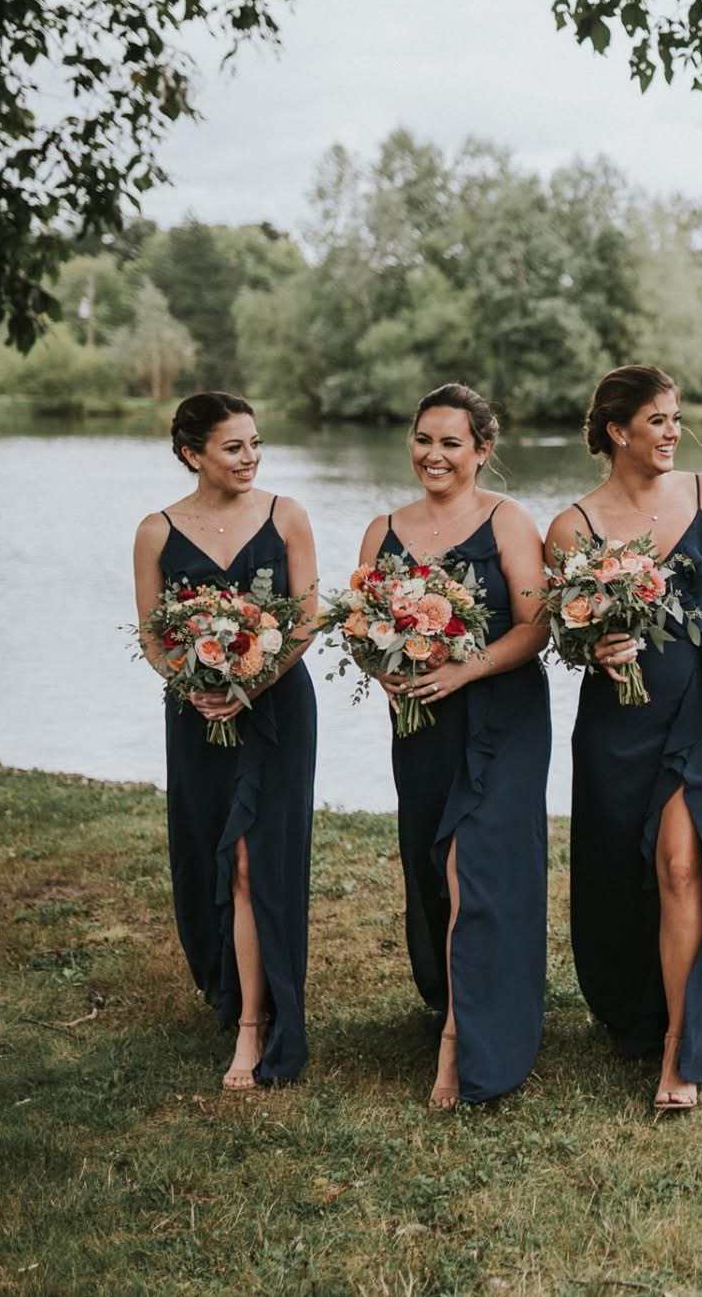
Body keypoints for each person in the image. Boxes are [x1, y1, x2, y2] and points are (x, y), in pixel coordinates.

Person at [551, 365, 702, 1111]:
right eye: (659, 420)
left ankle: (680, 1043)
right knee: (615, 875)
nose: (674, 432)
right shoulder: (572, 525)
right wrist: (592, 647)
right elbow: (566, 630)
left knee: (680, 863)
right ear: (617, 431)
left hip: (700, 703)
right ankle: (631, 1004)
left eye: (676, 418)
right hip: (616, 719)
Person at [359, 384, 551, 1109]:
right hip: (424, 723)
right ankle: (453, 996)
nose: (433, 455)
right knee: (433, 862)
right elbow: (365, 629)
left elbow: (537, 627)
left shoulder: (507, 521)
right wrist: (386, 672)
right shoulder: (383, 529)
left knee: (480, 862)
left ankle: (461, 1043)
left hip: (502, 714)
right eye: (423, 440)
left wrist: (464, 667)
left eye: (450, 442)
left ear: (481, 450)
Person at [130, 392, 316, 1089]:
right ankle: (228, 982)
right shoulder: (156, 531)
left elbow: (304, 619)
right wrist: (195, 680)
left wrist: (250, 682)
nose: (251, 457)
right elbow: (152, 634)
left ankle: (254, 1027)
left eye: (256, 443)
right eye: (234, 446)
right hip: (198, 712)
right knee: (209, 848)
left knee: (253, 858)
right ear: (192, 454)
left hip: (276, 709)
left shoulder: (285, 515)